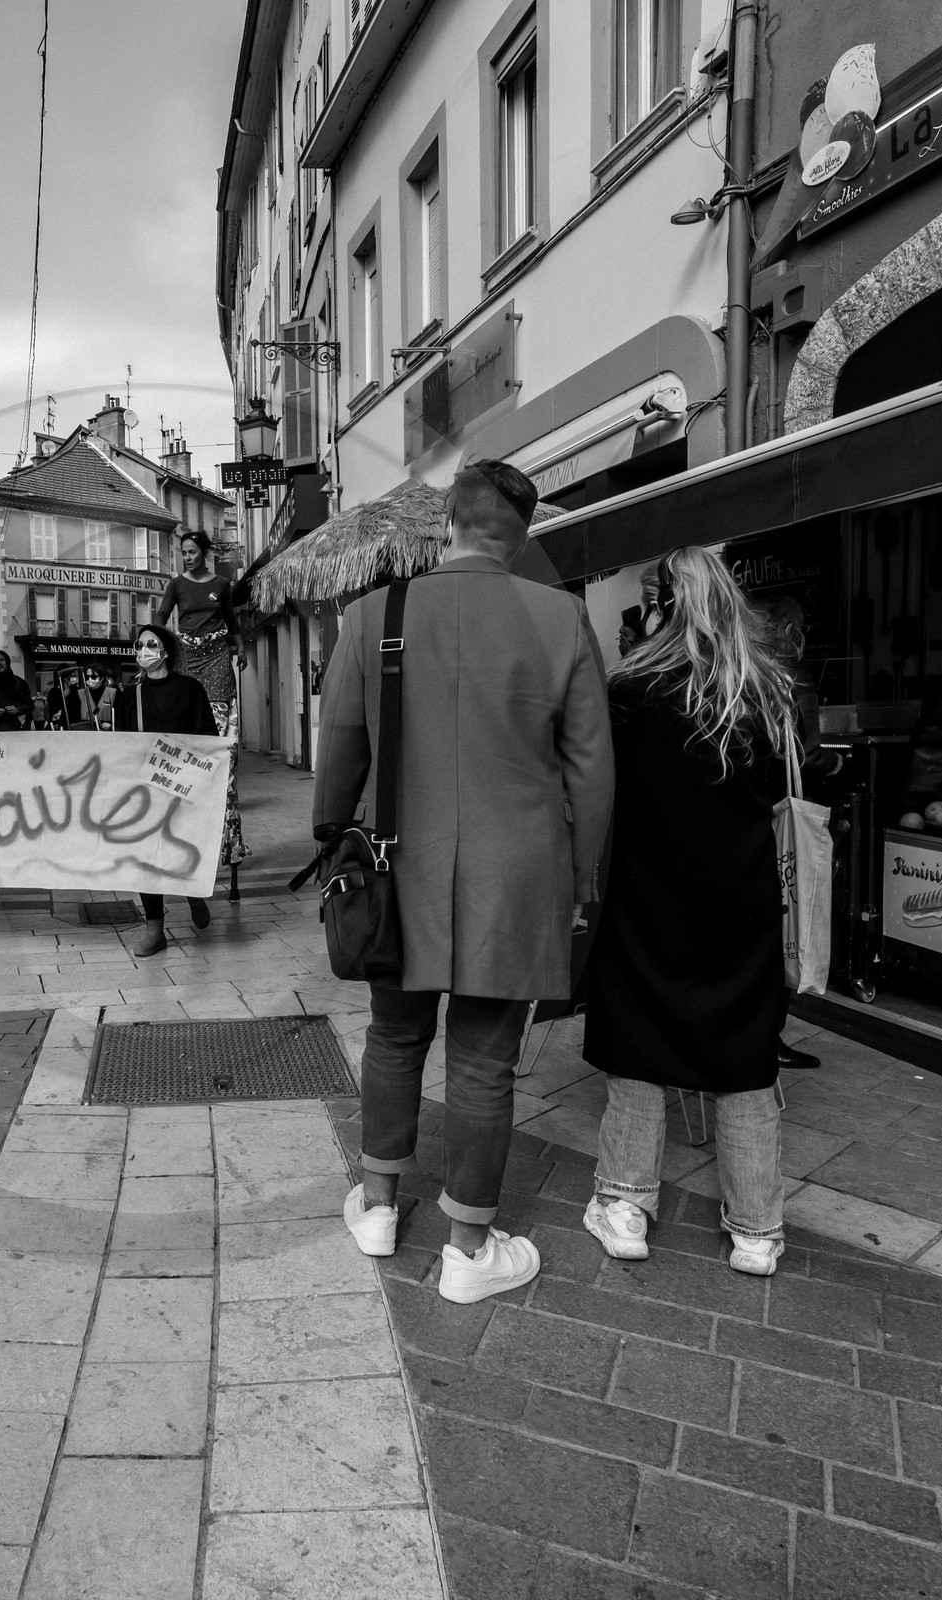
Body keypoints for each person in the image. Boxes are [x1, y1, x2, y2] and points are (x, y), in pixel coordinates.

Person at [314, 460, 615, 1304]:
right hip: (516, 875)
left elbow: (339, 748)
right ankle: (468, 1252)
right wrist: (584, 876)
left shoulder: (374, 613)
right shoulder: (560, 617)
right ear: (522, 538)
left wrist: (334, 844)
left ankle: (378, 1208)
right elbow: (591, 770)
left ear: (447, 525)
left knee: (394, 1035)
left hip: (395, 864)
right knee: (484, 1061)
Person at [582, 546, 799, 1278]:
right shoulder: (764, 690)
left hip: (648, 894)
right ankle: (757, 1230)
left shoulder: (630, 693)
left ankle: (625, 1206)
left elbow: (600, 790)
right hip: (741, 900)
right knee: (746, 1058)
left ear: (662, 606)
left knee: (637, 1046)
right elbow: (772, 793)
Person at [755, 594, 841, 1071]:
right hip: (781, 823)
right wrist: (838, 762)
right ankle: (768, 1034)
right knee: (786, 924)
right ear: (787, 630)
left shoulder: (739, 674)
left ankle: (761, 1030)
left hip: (752, 823)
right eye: (800, 626)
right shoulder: (786, 680)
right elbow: (802, 756)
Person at [111, 623, 218, 957]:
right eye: (139, 644)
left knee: (182, 849)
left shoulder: (190, 689)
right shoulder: (131, 695)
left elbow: (208, 737)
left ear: (166, 651)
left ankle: (194, 892)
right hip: (145, 790)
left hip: (183, 787)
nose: (143, 650)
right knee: (146, 858)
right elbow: (121, 744)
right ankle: (155, 930)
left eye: (151, 644)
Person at [156, 529, 250, 866]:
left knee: (222, 734)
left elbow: (230, 619)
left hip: (216, 657)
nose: (187, 557)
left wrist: (239, 647)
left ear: (205, 552)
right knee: (184, 728)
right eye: (184, 552)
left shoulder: (221, 585)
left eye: (192, 551)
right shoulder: (176, 584)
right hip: (186, 657)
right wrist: (154, 642)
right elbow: (160, 618)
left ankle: (228, 837)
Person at [45, 666, 95, 730]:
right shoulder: (54, 691)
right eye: (69, 678)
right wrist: (63, 697)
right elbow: (53, 709)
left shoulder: (74, 690)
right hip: (59, 724)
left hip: (73, 723)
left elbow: (77, 708)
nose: (71, 680)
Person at [84, 664, 117, 730]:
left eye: (93, 677)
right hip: (85, 733)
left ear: (102, 678)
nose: (90, 679)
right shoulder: (79, 694)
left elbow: (120, 718)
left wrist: (112, 726)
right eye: (87, 677)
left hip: (107, 735)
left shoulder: (114, 693)